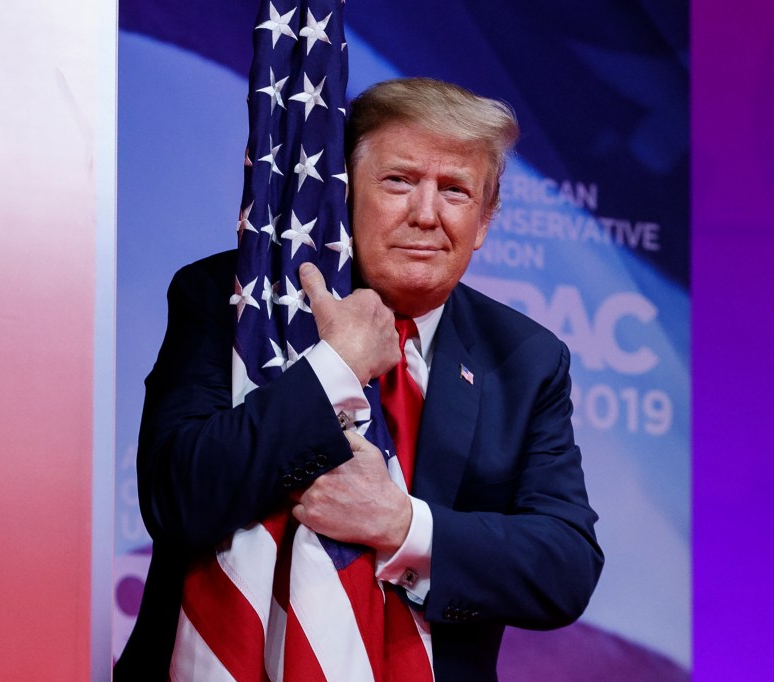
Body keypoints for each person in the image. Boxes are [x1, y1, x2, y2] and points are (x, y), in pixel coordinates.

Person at [116, 77, 603, 681]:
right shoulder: (236, 301)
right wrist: (333, 369)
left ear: (483, 221)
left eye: (455, 190)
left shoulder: (525, 359)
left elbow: (564, 566)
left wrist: (401, 526)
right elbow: (177, 498)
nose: (426, 214)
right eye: (399, 180)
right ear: (342, 191)